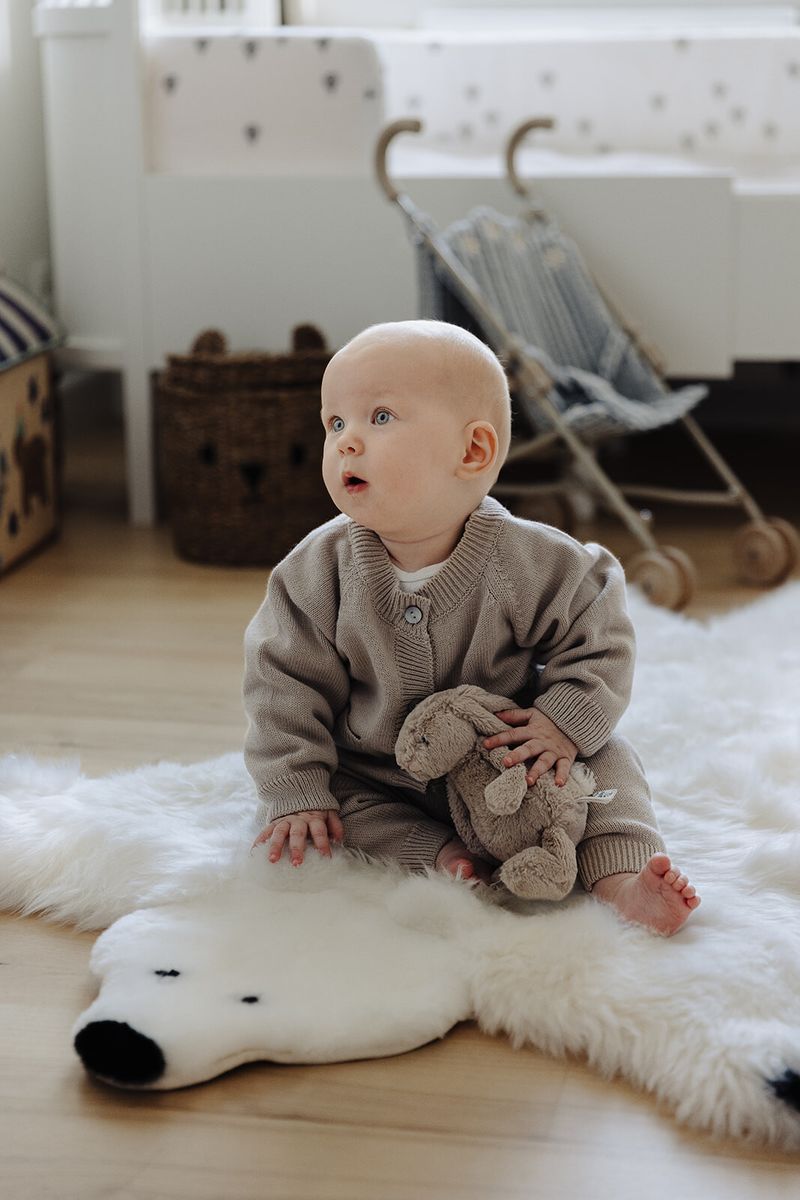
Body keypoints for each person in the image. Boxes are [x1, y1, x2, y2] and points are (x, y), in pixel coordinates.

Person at [243, 320, 700, 936]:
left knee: (610, 763)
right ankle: (442, 856)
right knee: (336, 809)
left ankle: (622, 876)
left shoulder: (532, 561)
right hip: (383, 772)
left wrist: (562, 723)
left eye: (380, 417)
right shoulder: (313, 574)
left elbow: (600, 633)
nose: (346, 442)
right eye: (334, 423)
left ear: (473, 452)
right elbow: (281, 687)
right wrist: (297, 789)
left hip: (517, 759)